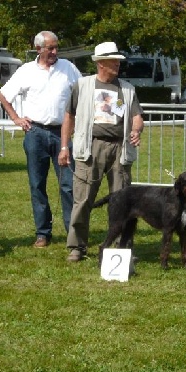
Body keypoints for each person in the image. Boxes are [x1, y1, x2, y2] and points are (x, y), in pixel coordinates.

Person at [58, 41, 144, 262]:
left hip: (119, 148)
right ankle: (77, 246)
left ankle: (121, 247)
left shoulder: (126, 89)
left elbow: (136, 117)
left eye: (117, 60)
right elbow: (69, 117)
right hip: (90, 147)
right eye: (113, 60)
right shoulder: (82, 85)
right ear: (100, 63)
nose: (117, 64)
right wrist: (64, 147)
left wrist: (136, 130)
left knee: (123, 200)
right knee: (83, 198)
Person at [0, 31, 82, 248]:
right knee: (37, 185)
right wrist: (16, 118)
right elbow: (3, 95)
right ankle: (42, 233)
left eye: (56, 47)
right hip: (35, 133)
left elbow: (83, 92)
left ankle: (72, 232)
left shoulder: (68, 68)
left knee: (68, 185)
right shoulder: (26, 71)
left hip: (62, 133)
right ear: (38, 49)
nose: (55, 52)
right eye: (50, 48)